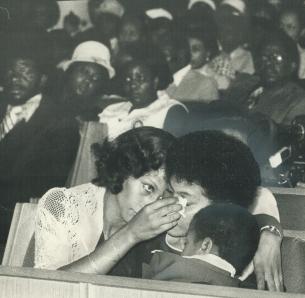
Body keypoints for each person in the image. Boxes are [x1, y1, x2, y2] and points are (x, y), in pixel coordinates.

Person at [140, 130, 283, 292]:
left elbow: (262, 197)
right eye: (170, 192)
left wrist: (269, 231)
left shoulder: (249, 260)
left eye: (185, 201)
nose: (168, 205)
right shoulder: (147, 237)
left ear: (220, 211)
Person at [34, 127, 181, 277]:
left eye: (163, 197)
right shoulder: (63, 205)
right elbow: (47, 288)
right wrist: (130, 234)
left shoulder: (163, 231)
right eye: (148, 188)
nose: (152, 205)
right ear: (123, 169)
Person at [0, 44, 80, 244]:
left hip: (14, 219)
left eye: (25, 72)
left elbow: (46, 183)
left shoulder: (60, 121)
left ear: (43, 79)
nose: (15, 78)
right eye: (10, 71)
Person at [143, 204, 260, 287]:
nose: (181, 251)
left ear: (205, 246)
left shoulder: (164, 263)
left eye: (186, 243)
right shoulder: (235, 287)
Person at [98, 50, 188, 139]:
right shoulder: (112, 109)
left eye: (140, 78)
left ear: (155, 82)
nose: (133, 85)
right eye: (128, 80)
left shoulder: (171, 110)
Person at [249, 29, 305, 126]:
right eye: (264, 56)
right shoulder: (246, 85)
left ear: (292, 65)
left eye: (277, 58)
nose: (269, 63)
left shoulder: (298, 102)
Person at [165, 28, 219, 103]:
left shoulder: (209, 82)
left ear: (207, 53)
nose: (190, 54)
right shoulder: (176, 75)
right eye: (187, 49)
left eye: (195, 49)